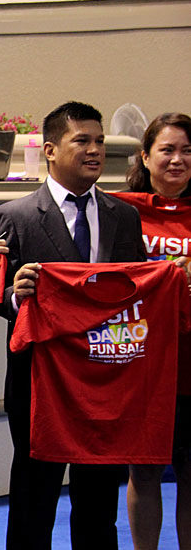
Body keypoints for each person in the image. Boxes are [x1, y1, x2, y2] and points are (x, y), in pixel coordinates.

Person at [0, 101, 147, 550]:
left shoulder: (124, 216)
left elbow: (134, 293)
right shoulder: (13, 217)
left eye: (99, 141)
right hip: (39, 381)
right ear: (52, 150)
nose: (95, 150)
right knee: (33, 496)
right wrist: (15, 298)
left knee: (99, 498)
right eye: (83, 141)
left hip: (103, 380)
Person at [115, 112, 191, 550]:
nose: (176, 160)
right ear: (145, 156)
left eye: (186, 150)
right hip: (141, 361)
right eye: (166, 149)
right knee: (143, 470)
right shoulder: (120, 211)